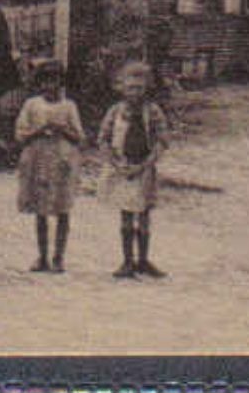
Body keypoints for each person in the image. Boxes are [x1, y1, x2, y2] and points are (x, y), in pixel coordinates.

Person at [97, 60, 170, 279]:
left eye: (139, 87)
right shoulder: (115, 111)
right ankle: (127, 261)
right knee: (126, 214)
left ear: (147, 87)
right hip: (123, 167)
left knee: (144, 213)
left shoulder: (153, 111)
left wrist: (147, 163)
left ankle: (143, 260)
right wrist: (116, 163)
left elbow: (162, 140)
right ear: (121, 88)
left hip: (144, 167)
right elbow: (103, 139)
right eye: (130, 87)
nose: (135, 92)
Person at [13, 58, 85, 273]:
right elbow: (19, 134)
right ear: (39, 83)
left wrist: (63, 129)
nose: (50, 87)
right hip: (38, 160)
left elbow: (80, 137)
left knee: (62, 208)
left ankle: (59, 256)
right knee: (40, 209)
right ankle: (42, 255)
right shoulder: (32, 105)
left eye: (55, 82)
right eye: (45, 81)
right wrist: (38, 129)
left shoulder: (68, 106)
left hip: (62, 161)